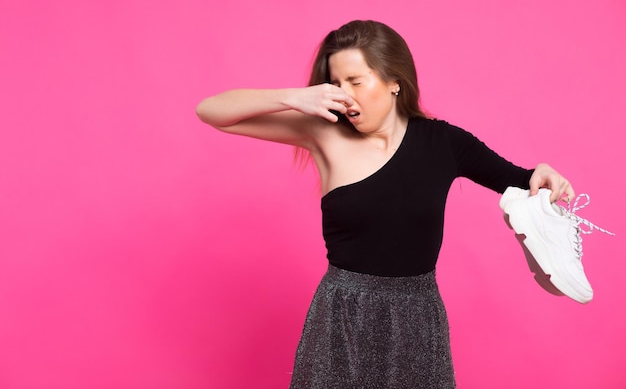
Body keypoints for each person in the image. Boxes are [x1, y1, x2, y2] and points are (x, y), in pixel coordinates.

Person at [196, 20, 574, 389]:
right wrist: (293, 97)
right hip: (342, 316)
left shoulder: (444, 143)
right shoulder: (322, 131)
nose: (344, 95)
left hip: (417, 318)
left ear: (394, 81)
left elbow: (523, 180)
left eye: (356, 82)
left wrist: (542, 176)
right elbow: (210, 111)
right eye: (335, 83)